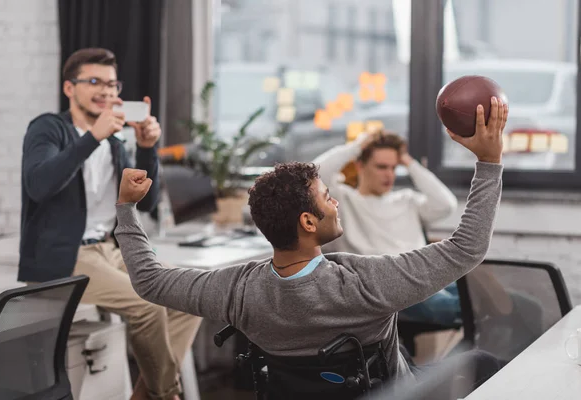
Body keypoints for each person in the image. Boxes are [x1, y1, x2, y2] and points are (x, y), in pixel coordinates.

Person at [114, 98, 508, 397]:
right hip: (388, 392)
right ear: (307, 222)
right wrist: (488, 162)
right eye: (326, 197)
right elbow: (467, 248)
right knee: (482, 362)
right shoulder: (366, 281)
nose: (335, 201)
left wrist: (126, 209)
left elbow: (148, 281)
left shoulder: (237, 290)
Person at [18, 48, 201, 400]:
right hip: (66, 257)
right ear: (69, 88)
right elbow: (39, 185)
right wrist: (91, 137)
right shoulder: (48, 128)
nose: (106, 91)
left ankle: (147, 394)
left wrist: (147, 148)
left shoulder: (115, 144)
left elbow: (145, 201)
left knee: (189, 297)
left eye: (112, 84)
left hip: (109, 250)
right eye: (94, 82)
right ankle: (167, 395)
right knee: (147, 305)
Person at [314, 131, 460, 326]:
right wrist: (357, 147)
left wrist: (409, 162)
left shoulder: (407, 200)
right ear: (360, 166)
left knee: (485, 295)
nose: (389, 174)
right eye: (381, 167)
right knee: (464, 308)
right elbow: (314, 174)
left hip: (424, 277)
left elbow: (446, 204)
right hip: (386, 288)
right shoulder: (344, 200)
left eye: (393, 167)